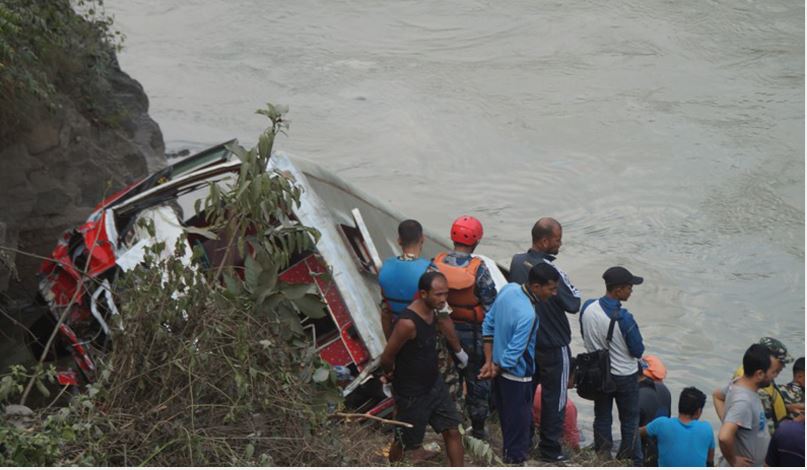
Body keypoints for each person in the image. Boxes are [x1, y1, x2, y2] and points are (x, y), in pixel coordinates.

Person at [508, 217, 580, 462]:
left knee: (525, 395)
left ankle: (523, 442)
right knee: (555, 399)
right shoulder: (555, 272)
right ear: (545, 240)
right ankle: (550, 450)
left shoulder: (517, 262)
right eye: (558, 239)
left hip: (527, 343)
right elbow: (574, 303)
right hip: (554, 345)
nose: (560, 244)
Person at [478, 263, 559, 464]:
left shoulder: (509, 289)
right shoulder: (528, 315)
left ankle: (509, 457)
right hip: (517, 378)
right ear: (536, 287)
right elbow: (514, 353)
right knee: (519, 429)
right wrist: (495, 367)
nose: (554, 293)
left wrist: (489, 363)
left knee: (508, 424)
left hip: (500, 375)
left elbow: (488, 323)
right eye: (551, 288)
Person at [381, 271, 464, 466]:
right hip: (412, 394)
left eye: (446, 293)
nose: (443, 299)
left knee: (452, 430)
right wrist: (390, 374)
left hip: (434, 385)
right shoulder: (407, 323)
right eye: (438, 294)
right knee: (404, 442)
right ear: (423, 294)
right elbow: (387, 356)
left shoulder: (434, 312)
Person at [433, 215, 497, 439]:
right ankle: (478, 429)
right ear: (476, 241)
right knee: (478, 381)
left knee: (445, 379)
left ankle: (448, 427)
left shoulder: (436, 262)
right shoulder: (479, 269)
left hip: (443, 331)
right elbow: (491, 306)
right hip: (473, 335)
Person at [580, 266, 645, 466]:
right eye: (629, 287)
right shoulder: (624, 318)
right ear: (617, 291)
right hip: (624, 375)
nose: (631, 291)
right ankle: (631, 459)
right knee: (629, 421)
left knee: (602, 415)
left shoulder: (588, 307)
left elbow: (584, 335)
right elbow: (637, 350)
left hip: (598, 373)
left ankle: (603, 455)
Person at [713, 337, 792, 435]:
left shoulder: (749, 374)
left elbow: (718, 395)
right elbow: (765, 426)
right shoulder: (758, 386)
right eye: (780, 361)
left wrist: (788, 408)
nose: (783, 366)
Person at [717, 343, 778, 467]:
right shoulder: (743, 402)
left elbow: (717, 395)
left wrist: (727, 419)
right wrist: (733, 460)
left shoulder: (738, 382)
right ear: (759, 374)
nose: (775, 376)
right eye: (773, 372)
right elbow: (724, 437)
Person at [640, 387, 715, 467]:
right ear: (698, 411)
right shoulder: (707, 429)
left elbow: (637, 433)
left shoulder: (661, 423)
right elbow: (710, 462)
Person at [533, 361, 580, 451]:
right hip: (553, 440)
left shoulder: (536, 390)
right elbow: (571, 439)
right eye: (575, 374)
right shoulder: (568, 406)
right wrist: (578, 452)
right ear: (567, 375)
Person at [638, 355, 672, 466]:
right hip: (661, 450)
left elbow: (632, 433)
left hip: (643, 451)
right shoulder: (666, 391)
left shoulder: (639, 395)